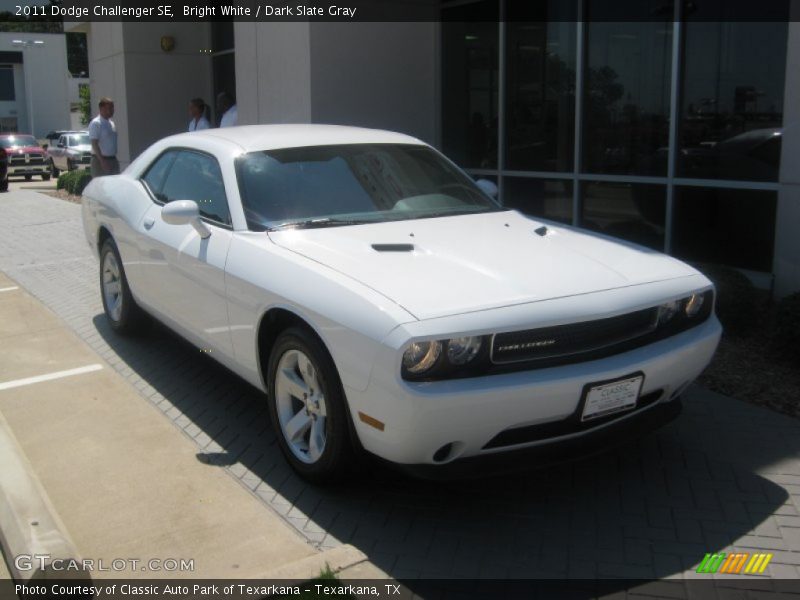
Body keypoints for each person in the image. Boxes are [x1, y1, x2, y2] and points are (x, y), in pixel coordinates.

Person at [88, 97, 119, 177]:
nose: (112, 110)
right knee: (101, 187)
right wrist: (102, 162)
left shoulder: (111, 123)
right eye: (109, 108)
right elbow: (94, 144)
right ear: (101, 108)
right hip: (100, 161)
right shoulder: (96, 123)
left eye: (113, 108)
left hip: (113, 159)